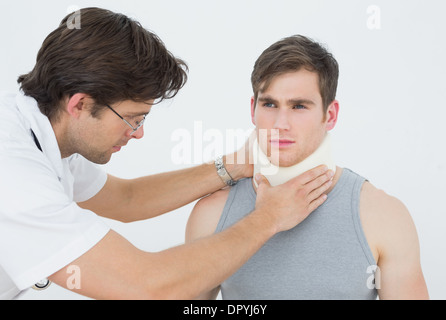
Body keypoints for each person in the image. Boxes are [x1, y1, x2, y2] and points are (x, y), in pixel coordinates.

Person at [0, 8, 334, 300]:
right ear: (80, 104)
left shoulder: (48, 133)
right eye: (132, 118)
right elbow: (147, 288)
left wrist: (233, 165)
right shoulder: (14, 173)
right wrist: (268, 218)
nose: (139, 132)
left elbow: (127, 200)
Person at [186, 35, 429, 300]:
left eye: (299, 106)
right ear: (253, 109)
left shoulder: (383, 215)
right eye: (269, 104)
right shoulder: (212, 214)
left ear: (330, 115)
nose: (280, 123)